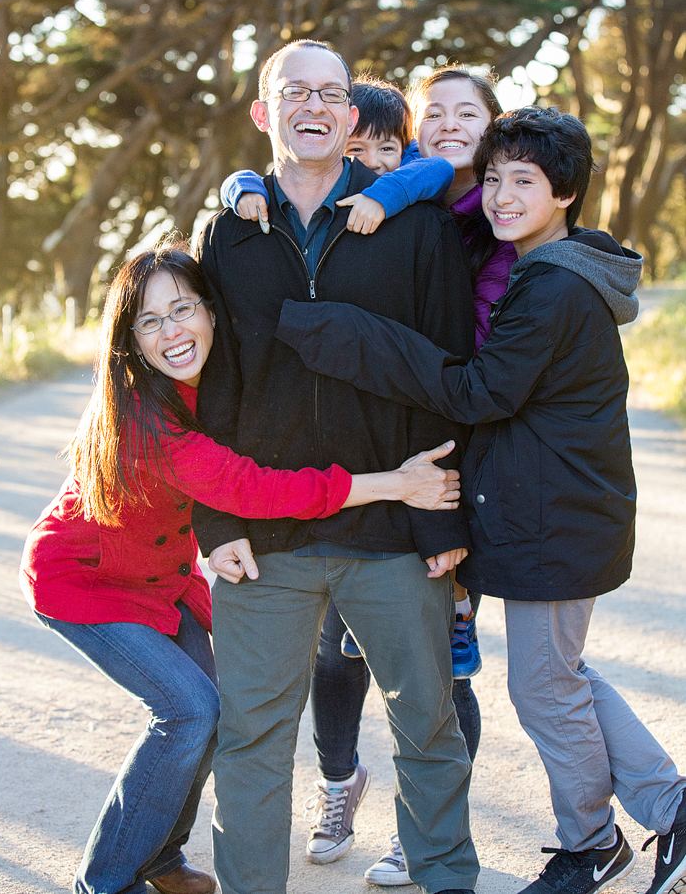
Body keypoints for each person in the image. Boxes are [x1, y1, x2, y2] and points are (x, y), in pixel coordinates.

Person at [277, 106, 686, 894]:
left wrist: (354, 334)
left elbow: (478, 391)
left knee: (546, 686)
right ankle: (670, 808)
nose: (500, 195)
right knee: (562, 675)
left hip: (558, 520)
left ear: (563, 192)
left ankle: (591, 843)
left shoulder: (553, 288)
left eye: (522, 182)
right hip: (562, 513)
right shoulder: (549, 270)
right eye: (493, 178)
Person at [22, 241, 462, 894]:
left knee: (218, 712)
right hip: (82, 582)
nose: (172, 331)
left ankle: (161, 859)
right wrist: (392, 483)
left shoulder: (219, 383)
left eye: (182, 309)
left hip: (158, 581)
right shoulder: (149, 418)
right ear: (130, 341)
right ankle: (105, 882)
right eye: (150, 321)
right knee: (189, 711)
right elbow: (258, 488)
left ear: (211, 310)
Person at [192, 39, 479, 894]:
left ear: (352, 117)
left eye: (331, 93)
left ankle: (443, 882)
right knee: (250, 739)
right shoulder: (227, 233)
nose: (313, 106)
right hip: (266, 538)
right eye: (294, 92)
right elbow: (213, 390)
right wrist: (216, 523)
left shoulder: (417, 226)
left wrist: (443, 523)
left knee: (427, 729)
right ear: (263, 112)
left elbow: (447, 374)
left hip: (395, 529)